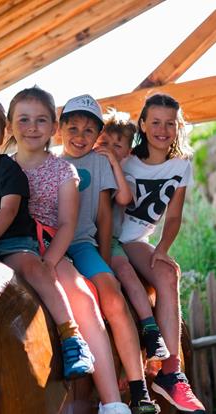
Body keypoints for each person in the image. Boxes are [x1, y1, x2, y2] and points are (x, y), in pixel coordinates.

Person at [0, 92, 94, 380]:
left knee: (35, 271)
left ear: (3, 134)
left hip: (12, 243)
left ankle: (71, 337)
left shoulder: (8, 168)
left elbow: (8, 211)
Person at [6, 87, 131, 414]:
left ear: (51, 128)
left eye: (41, 120)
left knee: (83, 298)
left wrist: (49, 260)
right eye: (24, 119)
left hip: (49, 247)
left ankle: (112, 402)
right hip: (5, 247)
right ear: (10, 125)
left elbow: (66, 224)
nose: (33, 127)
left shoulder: (64, 171)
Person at [59, 94, 159, 413]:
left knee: (113, 297)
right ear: (60, 128)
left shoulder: (100, 162)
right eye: (72, 127)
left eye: (89, 131)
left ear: (97, 135)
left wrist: (103, 261)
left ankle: (137, 386)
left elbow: (104, 216)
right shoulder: (51, 162)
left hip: (82, 245)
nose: (79, 136)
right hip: (50, 248)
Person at [119, 94, 206, 413]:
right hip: (107, 238)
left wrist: (164, 250)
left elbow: (173, 216)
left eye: (170, 123)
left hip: (136, 240)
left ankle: (172, 374)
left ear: (178, 127)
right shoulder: (126, 158)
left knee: (169, 272)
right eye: (155, 121)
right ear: (142, 124)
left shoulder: (181, 164)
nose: (162, 129)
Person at [94, 110, 170, 362]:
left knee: (125, 273)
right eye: (105, 143)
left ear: (126, 153)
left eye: (118, 146)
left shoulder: (125, 176)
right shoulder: (84, 167)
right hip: (83, 241)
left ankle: (150, 328)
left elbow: (124, 198)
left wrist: (114, 165)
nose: (110, 149)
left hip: (112, 242)